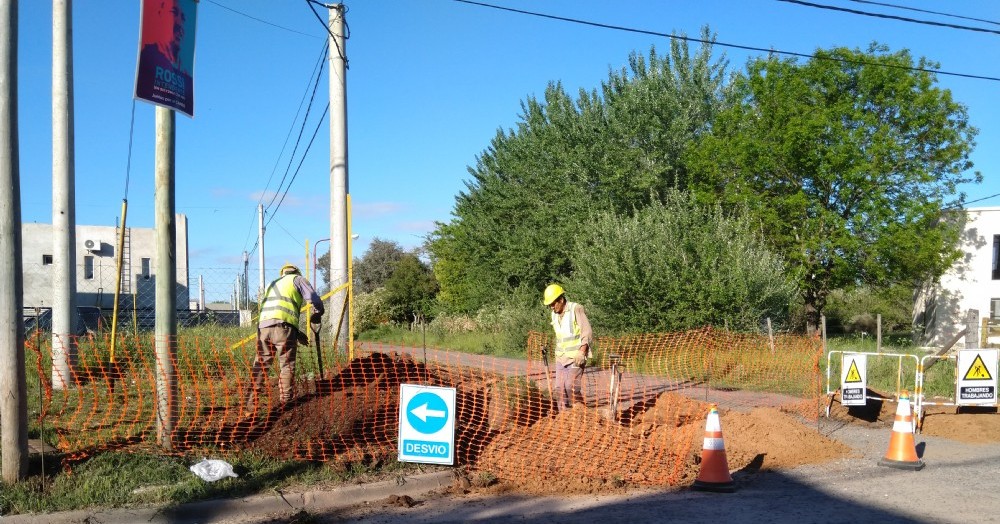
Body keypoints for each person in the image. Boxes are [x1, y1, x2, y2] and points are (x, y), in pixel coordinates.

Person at [246, 263, 324, 415]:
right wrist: (318, 311)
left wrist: (297, 332)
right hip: (283, 329)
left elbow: (277, 312)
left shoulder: (273, 284)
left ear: (282, 273)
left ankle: (250, 408)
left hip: (263, 329)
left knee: (260, 366)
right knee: (287, 365)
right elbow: (314, 299)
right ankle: (285, 403)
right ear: (296, 272)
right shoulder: (298, 279)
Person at [542, 284, 592, 413]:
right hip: (561, 357)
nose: (552, 307)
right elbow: (561, 335)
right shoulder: (554, 315)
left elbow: (587, 331)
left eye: (553, 304)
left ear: (561, 300)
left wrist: (582, 351)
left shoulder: (576, 309)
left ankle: (580, 413)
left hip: (576, 357)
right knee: (559, 389)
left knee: (571, 387)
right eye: (550, 305)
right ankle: (563, 418)